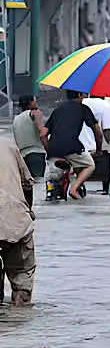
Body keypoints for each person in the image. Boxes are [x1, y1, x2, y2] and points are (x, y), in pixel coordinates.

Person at [45, 89, 103, 200]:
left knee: (52, 173)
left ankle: (52, 188)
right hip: (72, 147)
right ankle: (74, 188)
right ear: (80, 94)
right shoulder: (83, 109)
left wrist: (49, 150)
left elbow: (43, 133)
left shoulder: (58, 110)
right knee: (90, 165)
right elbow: (97, 131)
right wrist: (99, 150)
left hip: (54, 149)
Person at [0, 133, 35, 306]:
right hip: (15, 218)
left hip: (14, 215)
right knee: (22, 278)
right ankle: (20, 326)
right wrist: (28, 210)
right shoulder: (8, 145)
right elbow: (27, 184)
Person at [13, 95, 48, 179]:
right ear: (31, 103)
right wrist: (49, 149)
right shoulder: (35, 113)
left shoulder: (16, 118)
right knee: (38, 181)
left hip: (23, 156)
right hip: (36, 153)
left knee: (29, 184)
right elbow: (42, 132)